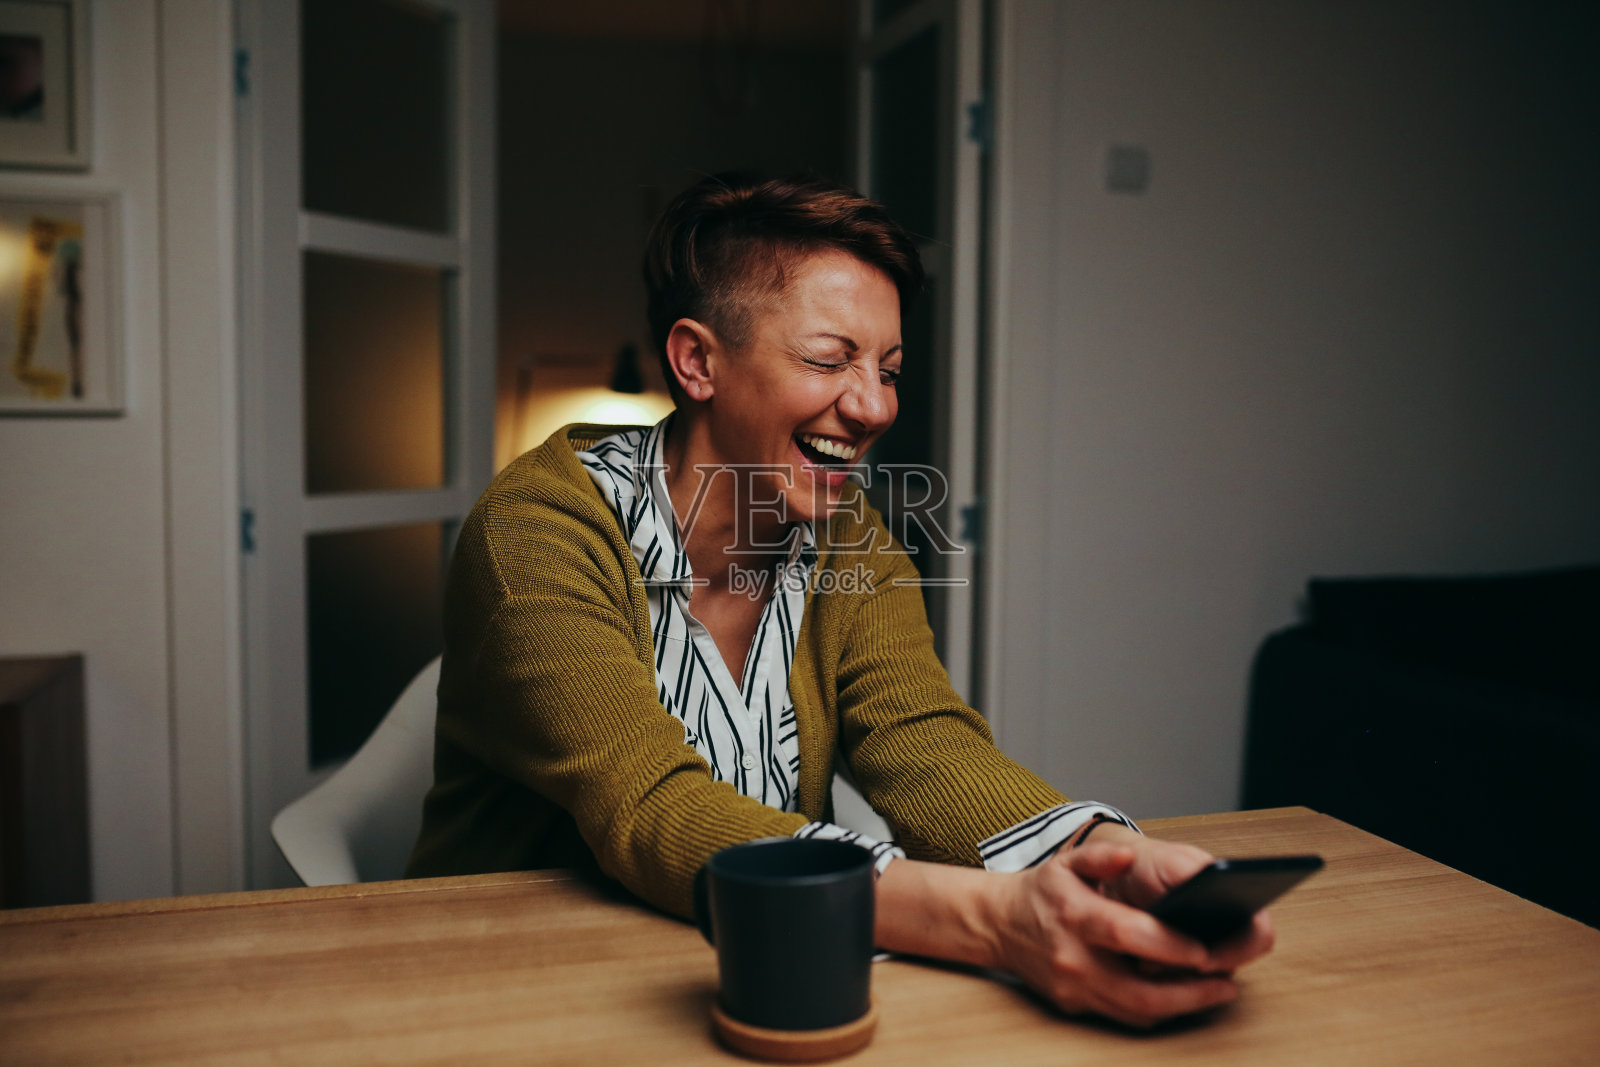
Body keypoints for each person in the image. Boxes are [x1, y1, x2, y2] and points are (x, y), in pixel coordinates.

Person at [407, 173, 1274, 1028]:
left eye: (889, 369)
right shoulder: (534, 533)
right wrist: (1001, 922)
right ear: (697, 361)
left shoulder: (850, 536)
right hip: (495, 988)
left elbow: (924, 741)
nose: (871, 406)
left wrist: (1105, 856)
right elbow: (651, 803)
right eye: (830, 359)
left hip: (765, 969)